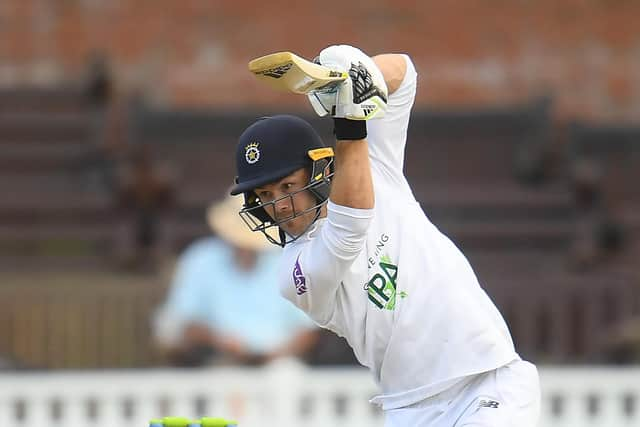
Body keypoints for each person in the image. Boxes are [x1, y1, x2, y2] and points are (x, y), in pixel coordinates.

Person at [230, 45, 541, 426]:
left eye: (286, 186)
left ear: (318, 170)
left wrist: (356, 77)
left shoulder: (374, 164)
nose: (278, 205)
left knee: (345, 60)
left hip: (488, 384)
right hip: (407, 410)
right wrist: (350, 117)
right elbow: (351, 225)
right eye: (264, 194)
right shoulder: (295, 273)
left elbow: (404, 75)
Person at [153, 193, 318, 366]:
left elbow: (307, 330)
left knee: (286, 375)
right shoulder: (201, 259)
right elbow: (180, 322)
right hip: (217, 358)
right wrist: (218, 340)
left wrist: (276, 355)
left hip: (279, 362)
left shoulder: (289, 259)